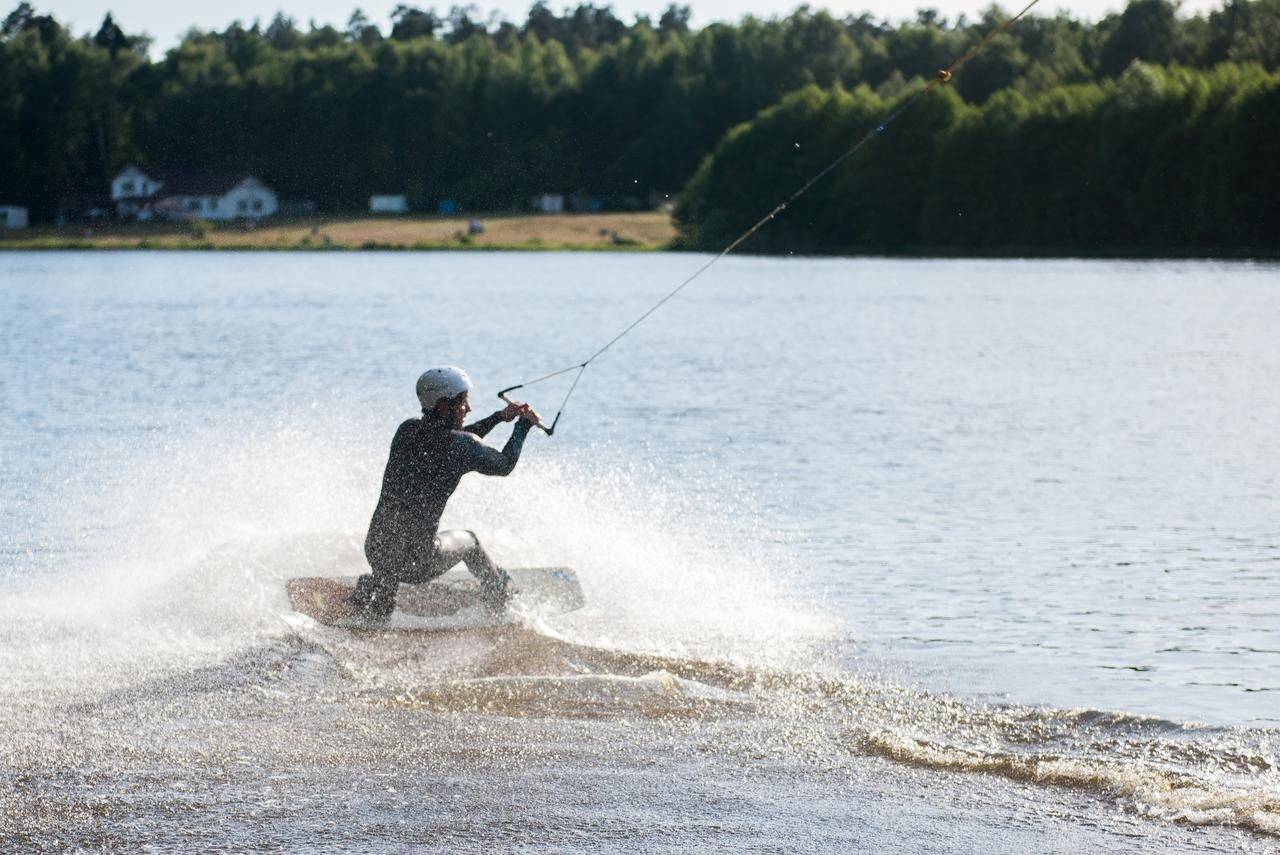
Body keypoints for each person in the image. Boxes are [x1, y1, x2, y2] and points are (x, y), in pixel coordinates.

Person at [349, 365, 538, 622]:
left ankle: (380, 601)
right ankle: (499, 596)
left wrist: (498, 417)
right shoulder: (461, 447)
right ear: (442, 407)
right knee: (470, 541)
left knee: (394, 546)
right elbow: (504, 465)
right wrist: (522, 427)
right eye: (463, 403)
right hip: (417, 563)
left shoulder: (406, 431)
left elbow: (456, 439)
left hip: (376, 550)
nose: (468, 408)